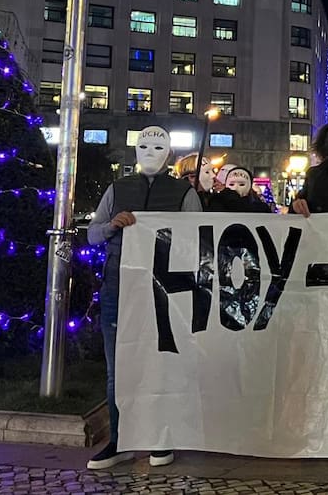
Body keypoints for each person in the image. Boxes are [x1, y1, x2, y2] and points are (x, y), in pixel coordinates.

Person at [86, 126, 204, 470]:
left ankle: (160, 437)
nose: (150, 151)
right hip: (118, 288)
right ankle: (119, 440)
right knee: (117, 369)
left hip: (163, 292)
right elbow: (94, 233)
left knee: (162, 364)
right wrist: (112, 227)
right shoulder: (116, 189)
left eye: (157, 146)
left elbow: (196, 239)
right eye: (144, 145)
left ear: (168, 154)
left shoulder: (184, 193)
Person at [208, 166, 272, 213]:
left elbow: (239, 206)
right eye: (231, 184)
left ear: (249, 186)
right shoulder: (217, 203)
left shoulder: (260, 208)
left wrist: (227, 193)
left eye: (241, 184)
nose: (236, 188)